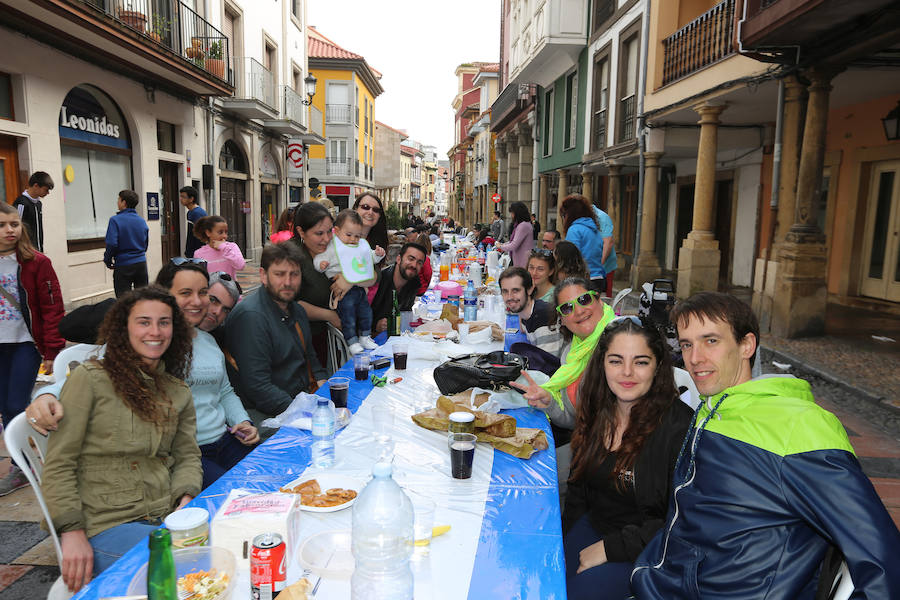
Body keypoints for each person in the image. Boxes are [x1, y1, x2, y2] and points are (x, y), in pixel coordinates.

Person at [632, 292, 900, 599]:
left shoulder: (798, 426)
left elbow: (882, 557)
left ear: (746, 345)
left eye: (711, 341)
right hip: (663, 581)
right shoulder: (711, 410)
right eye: (687, 344)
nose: (694, 359)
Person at [29, 260, 259, 489]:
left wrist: (242, 421)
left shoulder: (208, 341)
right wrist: (46, 395)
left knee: (271, 479)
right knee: (238, 494)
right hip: (181, 455)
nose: (198, 302)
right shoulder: (150, 342)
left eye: (203, 293)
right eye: (186, 293)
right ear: (164, 296)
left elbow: (225, 391)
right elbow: (96, 373)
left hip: (225, 442)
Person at [41, 286, 202, 592]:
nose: (155, 331)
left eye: (164, 322)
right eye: (143, 322)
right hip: (105, 524)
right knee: (186, 569)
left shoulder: (177, 391)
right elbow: (60, 462)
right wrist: (71, 532)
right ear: (123, 328)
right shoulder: (91, 380)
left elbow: (188, 456)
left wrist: (186, 497)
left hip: (164, 518)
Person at [563, 316, 693, 600]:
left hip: (648, 546)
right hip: (593, 525)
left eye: (641, 361)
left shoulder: (678, 428)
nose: (627, 372)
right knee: (541, 579)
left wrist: (610, 549)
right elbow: (578, 488)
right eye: (616, 361)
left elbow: (680, 520)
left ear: (658, 366)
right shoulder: (599, 407)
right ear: (602, 364)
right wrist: (560, 539)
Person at [512, 277, 616, 459]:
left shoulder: (619, 344)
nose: (578, 311)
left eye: (584, 300)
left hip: (611, 455)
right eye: (567, 308)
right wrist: (549, 403)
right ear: (562, 319)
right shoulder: (572, 352)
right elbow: (574, 419)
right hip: (584, 443)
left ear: (599, 300)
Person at [0, 202, 64, 496]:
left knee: (16, 403)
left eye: (13, 224)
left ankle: (22, 464)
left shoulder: (37, 262)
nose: (10, 230)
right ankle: (23, 458)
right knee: (4, 405)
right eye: (2, 225)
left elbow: (52, 307)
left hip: (27, 342)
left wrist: (52, 349)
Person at [225, 241, 327, 426]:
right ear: (263, 275)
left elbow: (312, 362)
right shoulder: (252, 317)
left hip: (299, 403)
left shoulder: (297, 310)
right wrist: (305, 415)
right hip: (266, 417)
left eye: (294, 274)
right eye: (279, 274)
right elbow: (258, 387)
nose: (287, 282)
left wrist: (325, 397)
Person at [314, 209, 384, 354]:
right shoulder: (332, 247)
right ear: (337, 231)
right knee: (348, 315)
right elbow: (319, 258)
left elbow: (368, 257)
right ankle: (351, 340)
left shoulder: (359, 245)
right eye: (349, 235)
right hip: (343, 292)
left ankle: (365, 336)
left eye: (358, 236)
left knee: (366, 312)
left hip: (358, 288)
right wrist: (321, 265)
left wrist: (377, 255)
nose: (353, 239)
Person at [291, 202, 352, 368]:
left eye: (329, 231)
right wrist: (329, 316)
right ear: (301, 231)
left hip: (332, 341)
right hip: (303, 344)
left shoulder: (335, 247)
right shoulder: (290, 257)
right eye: (319, 233)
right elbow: (290, 305)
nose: (326, 239)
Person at [368, 242, 426, 333]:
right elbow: (357, 315)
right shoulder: (377, 281)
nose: (414, 265)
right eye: (411, 259)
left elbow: (405, 313)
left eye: (419, 262)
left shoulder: (414, 283)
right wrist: (375, 325)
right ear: (398, 259)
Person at [103, 189, 149, 297]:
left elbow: (112, 244)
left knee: (123, 301)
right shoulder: (141, 221)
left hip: (123, 265)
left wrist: (107, 260)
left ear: (124, 203)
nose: (117, 202)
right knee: (142, 298)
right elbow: (145, 243)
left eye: (118, 199)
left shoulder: (115, 220)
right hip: (141, 264)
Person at [560, 194, 606, 293]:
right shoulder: (594, 229)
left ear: (569, 214)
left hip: (583, 279)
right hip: (599, 277)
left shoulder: (574, 230)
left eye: (563, 215)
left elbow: (570, 258)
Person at [13, 171, 54, 252]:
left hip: (38, 250)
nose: (48, 193)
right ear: (36, 186)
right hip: (25, 252)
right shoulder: (22, 203)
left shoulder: (38, 204)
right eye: (46, 190)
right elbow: (15, 227)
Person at [203, 271, 242, 347]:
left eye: (225, 310)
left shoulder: (225, 343)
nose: (217, 312)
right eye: (213, 300)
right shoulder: (175, 328)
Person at [498, 201, 534, 267]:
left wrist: (500, 246)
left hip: (522, 259)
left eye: (512, 213)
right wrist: (504, 244)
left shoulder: (523, 225)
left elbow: (514, 244)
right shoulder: (522, 224)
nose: (511, 215)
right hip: (519, 257)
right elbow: (514, 241)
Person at [179, 186, 207, 258]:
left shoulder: (197, 213)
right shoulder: (190, 212)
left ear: (191, 199)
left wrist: (196, 253)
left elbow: (201, 236)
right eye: (180, 196)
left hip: (198, 253)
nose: (180, 199)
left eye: (183, 197)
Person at [415, 230, 433, 295]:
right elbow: (428, 274)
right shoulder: (425, 258)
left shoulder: (413, 255)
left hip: (412, 289)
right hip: (421, 290)